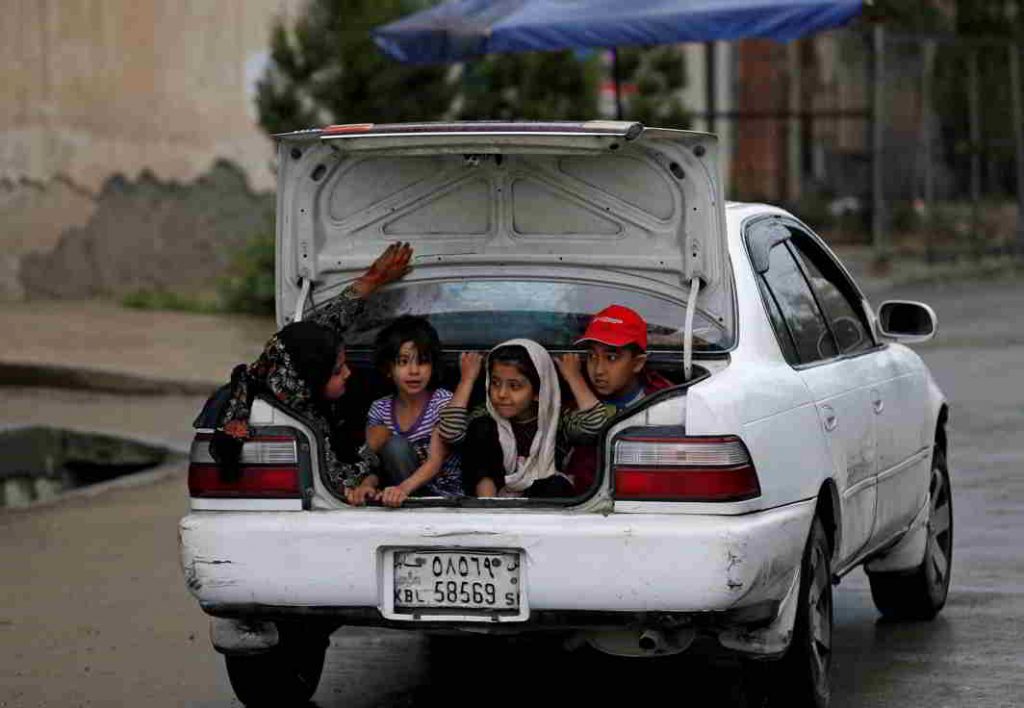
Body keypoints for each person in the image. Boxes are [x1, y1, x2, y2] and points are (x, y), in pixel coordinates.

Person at [208, 242, 413, 496]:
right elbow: (335, 480)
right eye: (337, 371)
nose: (348, 373)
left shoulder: (290, 362)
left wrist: (374, 277)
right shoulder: (300, 419)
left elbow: (330, 321)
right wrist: (372, 445)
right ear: (311, 380)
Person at [439, 339, 610, 498]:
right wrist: (467, 380)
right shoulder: (485, 415)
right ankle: (488, 504)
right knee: (481, 429)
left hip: (538, 507)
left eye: (514, 386)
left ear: (537, 392)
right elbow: (450, 432)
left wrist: (574, 376)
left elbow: (597, 424)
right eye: (496, 383)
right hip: (490, 506)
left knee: (555, 485)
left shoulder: (556, 420)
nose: (501, 394)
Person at [345, 316, 461, 507]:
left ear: (433, 366)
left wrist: (402, 490)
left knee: (396, 445)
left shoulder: (442, 401)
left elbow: (435, 461)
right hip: (398, 497)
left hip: (442, 498)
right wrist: (366, 485)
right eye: (403, 362)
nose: (414, 371)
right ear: (388, 368)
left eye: (422, 362)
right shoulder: (380, 409)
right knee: (394, 447)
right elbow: (375, 464)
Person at [564, 304, 674, 493]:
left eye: (612, 358)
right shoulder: (574, 396)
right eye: (592, 356)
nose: (598, 370)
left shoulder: (663, 401)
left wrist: (575, 379)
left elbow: (603, 426)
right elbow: (578, 431)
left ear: (638, 363)